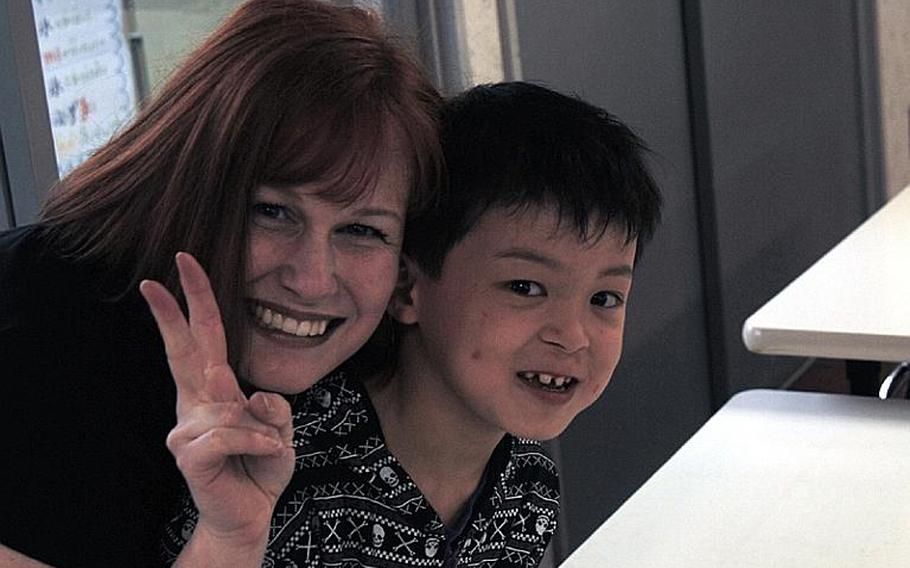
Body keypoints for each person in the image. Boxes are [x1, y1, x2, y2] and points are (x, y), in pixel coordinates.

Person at [0, 0, 441, 565]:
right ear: (186, 182)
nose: (310, 280)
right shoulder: (37, 333)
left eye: (361, 230)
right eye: (272, 211)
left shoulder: (373, 374)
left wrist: (230, 535)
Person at [161, 81, 663, 567]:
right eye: (525, 287)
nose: (572, 336)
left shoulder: (527, 487)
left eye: (605, 297)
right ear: (406, 289)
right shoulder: (279, 468)